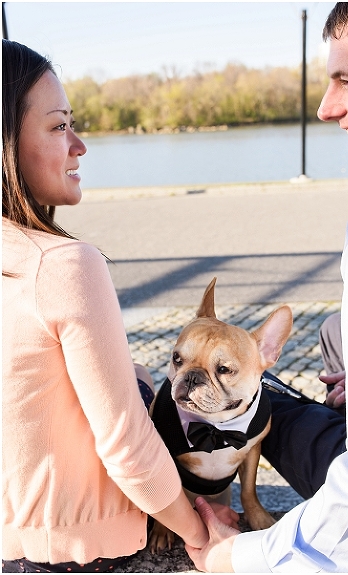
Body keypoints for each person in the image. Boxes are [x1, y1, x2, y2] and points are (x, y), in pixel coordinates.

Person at [185, 3, 348, 571]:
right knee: (329, 333)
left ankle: (252, 403)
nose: (326, 107)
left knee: (268, 405)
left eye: (346, 79)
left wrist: (239, 554)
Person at [1, 39, 209, 572]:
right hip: (73, 553)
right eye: (56, 125)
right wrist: (198, 532)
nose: (79, 146)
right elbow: (127, 445)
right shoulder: (61, 265)